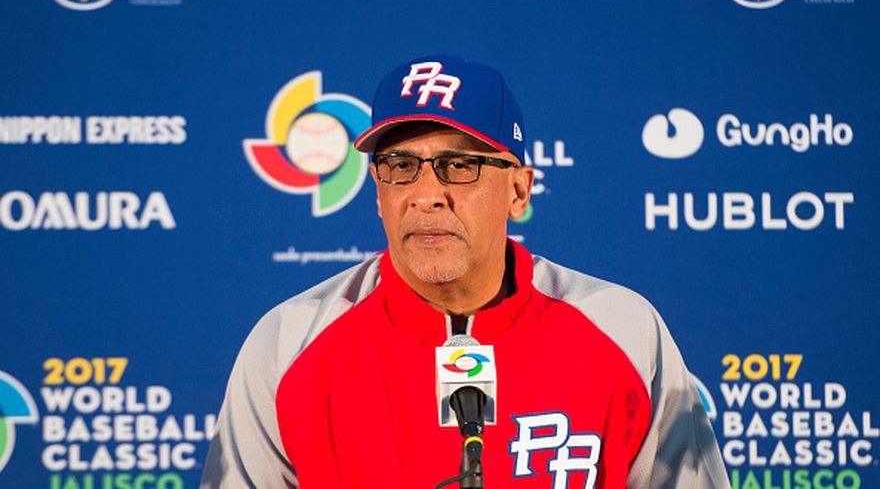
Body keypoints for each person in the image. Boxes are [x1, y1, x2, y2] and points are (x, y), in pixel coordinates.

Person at [200, 55, 730, 489]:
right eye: (401, 166)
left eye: (459, 165)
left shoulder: (624, 330)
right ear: (379, 194)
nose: (426, 195)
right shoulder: (289, 342)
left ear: (519, 190)